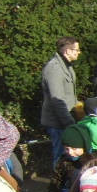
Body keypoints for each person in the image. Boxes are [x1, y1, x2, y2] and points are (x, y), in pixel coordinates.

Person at [40, 37, 80, 169]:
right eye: (76, 50)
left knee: (69, 157)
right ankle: (59, 181)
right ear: (67, 51)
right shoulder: (54, 68)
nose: (79, 52)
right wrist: (70, 124)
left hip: (65, 120)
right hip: (58, 123)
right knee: (60, 157)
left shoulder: (66, 66)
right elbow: (57, 100)